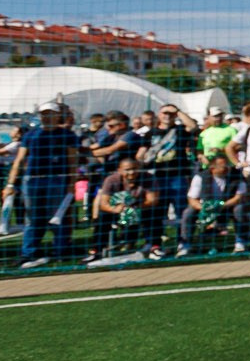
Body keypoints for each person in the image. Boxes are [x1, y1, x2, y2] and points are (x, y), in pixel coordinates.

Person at [9, 103, 81, 269]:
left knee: (57, 216)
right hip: (33, 180)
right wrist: (11, 183)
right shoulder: (31, 135)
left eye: (51, 114)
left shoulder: (67, 135)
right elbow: (19, 160)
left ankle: (61, 249)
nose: (47, 117)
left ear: (58, 116)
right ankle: (29, 252)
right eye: (44, 114)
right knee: (33, 218)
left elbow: (72, 160)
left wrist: (72, 183)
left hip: (57, 178)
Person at [87, 158, 159, 262]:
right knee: (102, 217)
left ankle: (154, 247)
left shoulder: (148, 178)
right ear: (119, 170)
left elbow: (152, 200)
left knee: (154, 213)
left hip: (140, 208)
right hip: (117, 210)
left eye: (134, 169)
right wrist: (114, 209)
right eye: (127, 169)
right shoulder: (111, 180)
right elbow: (103, 203)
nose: (131, 172)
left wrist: (136, 207)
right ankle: (96, 251)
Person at [181, 151, 247, 256]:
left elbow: (239, 197)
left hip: (227, 207)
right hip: (205, 208)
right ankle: (185, 245)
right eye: (222, 166)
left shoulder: (237, 176)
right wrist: (204, 208)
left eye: (227, 165)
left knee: (239, 209)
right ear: (212, 168)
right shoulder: (200, 177)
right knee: (188, 212)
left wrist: (220, 205)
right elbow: (192, 199)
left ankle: (240, 242)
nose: (226, 168)